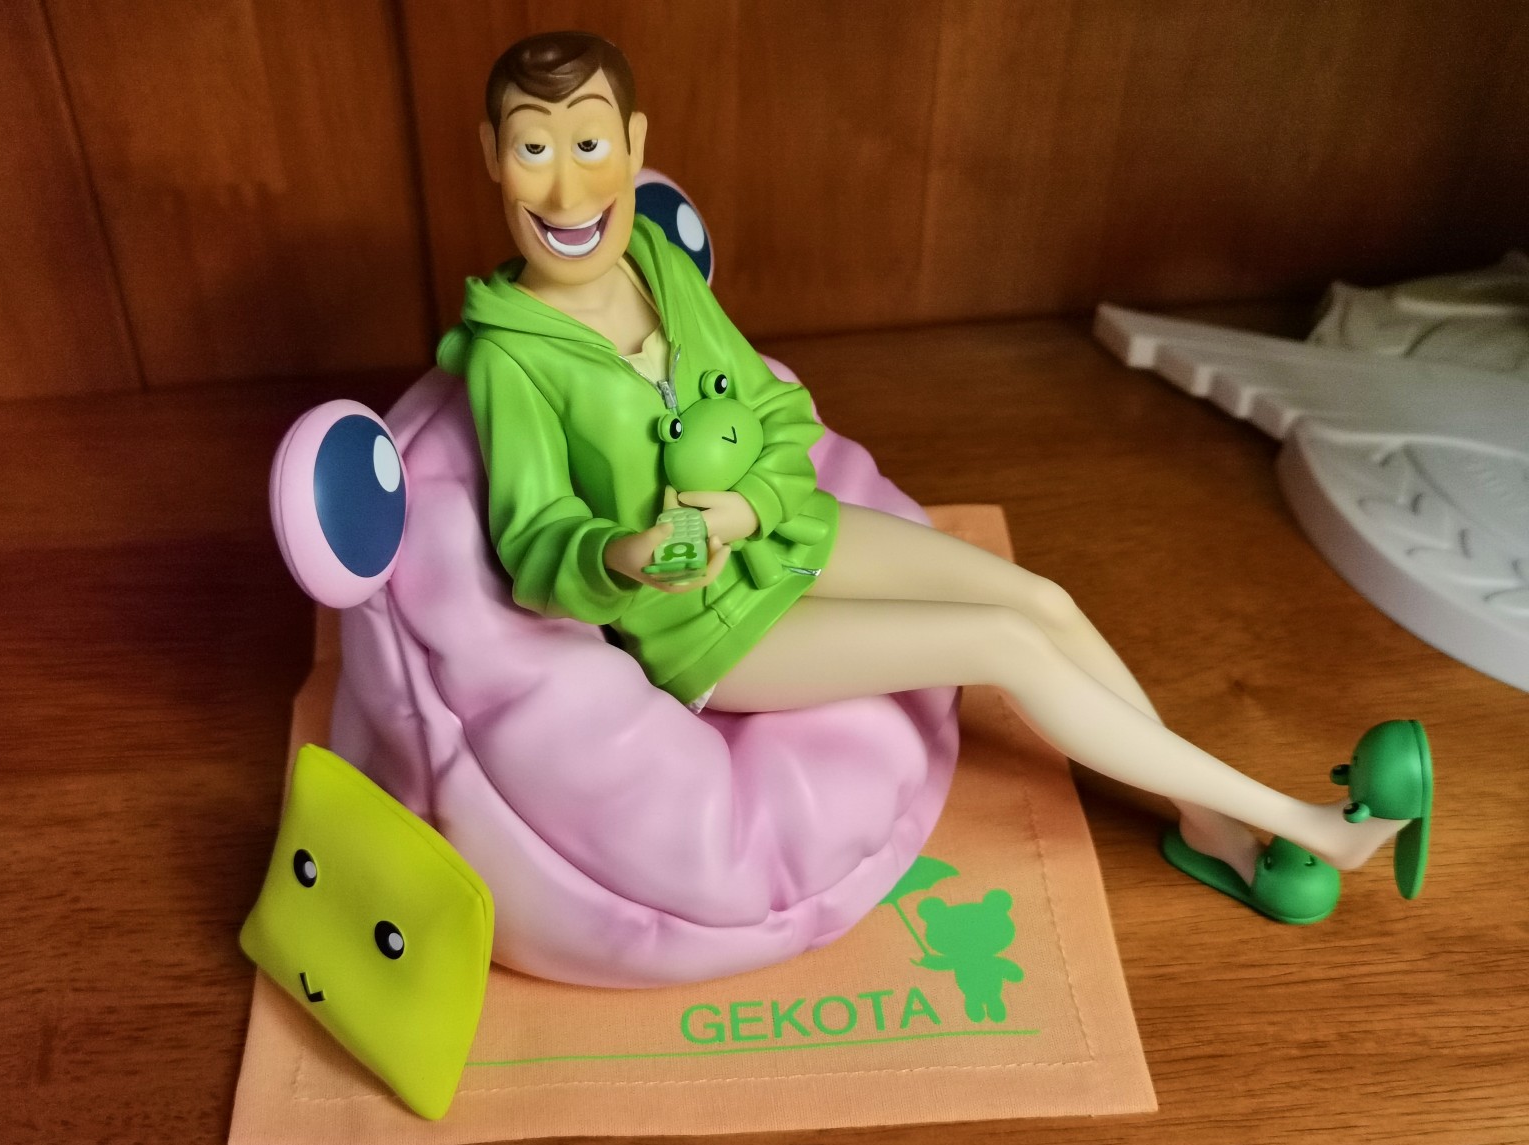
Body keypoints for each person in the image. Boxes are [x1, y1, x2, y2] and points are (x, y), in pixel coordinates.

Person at [438, 31, 1431, 923]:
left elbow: (779, 414)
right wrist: (626, 553)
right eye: (533, 150)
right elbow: (534, 543)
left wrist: (749, 506)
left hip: (787, 531)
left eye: (588, 144)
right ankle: (1307, 823)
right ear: (491, 156)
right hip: (707, 629)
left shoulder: (657, 262)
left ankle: (1206, 824)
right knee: (1002, 643)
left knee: (1042, 599)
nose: (565, 193)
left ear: (634, 143)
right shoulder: (506, 353)